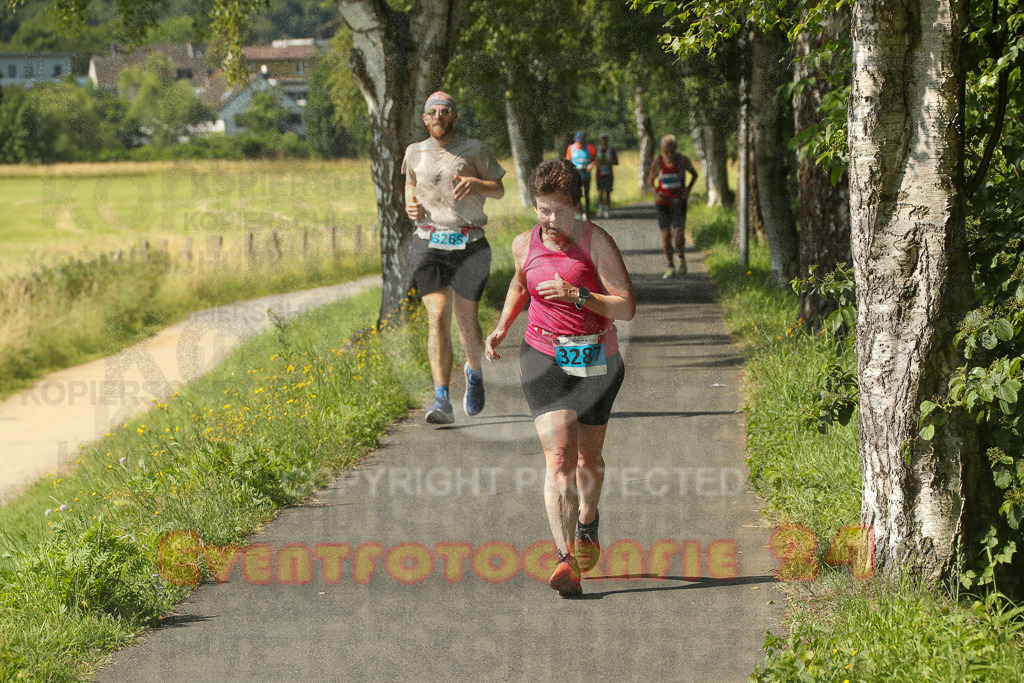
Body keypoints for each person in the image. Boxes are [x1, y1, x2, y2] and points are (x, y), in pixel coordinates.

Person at [484, 159, 636, 597]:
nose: (552, 221)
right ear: (534, 205)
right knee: (559, 459)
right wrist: (503, 325)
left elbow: (626, 307)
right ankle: (566, 558)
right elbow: (519, 283)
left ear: (577, 207)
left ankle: (588, 520)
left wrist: (579, 295)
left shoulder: (597, 243)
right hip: (542, 356)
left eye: (561, 211)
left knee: (589, 460)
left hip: (596, 358)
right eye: (544, 210)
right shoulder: (522, 244)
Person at [403, 91, 506, 424]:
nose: (437, 116)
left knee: (466, 321)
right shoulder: (413, 152)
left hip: (469, 241)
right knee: (437, 316)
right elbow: (410, 182)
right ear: (424, 118)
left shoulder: (474, 149)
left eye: (444, 111)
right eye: (431, 111)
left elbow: (499, 189)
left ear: (454, 117)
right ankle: (441, 398)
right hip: (428, 242)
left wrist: (476, 183)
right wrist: (410, 205)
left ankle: (474, 373)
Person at [648, 134, 698, 279]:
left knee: (678, 234)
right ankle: (670, 266)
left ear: (675, 148)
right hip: (662, 203)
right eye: (666, 149)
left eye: (672, 149)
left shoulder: (682, 160)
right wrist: (656, 193)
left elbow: (694, 174)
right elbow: (650, 180)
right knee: (666, 236)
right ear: (662, 149)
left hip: (678, 202)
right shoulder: (658, 161)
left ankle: (681, 256)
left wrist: (687, 190)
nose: (669, 152)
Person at [565, 131, 597, 220]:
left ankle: (587, 213)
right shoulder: (571, 148)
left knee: (586, 194)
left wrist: (591, 165)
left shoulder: (589, 147)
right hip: (576, 176)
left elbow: (596, 158)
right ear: (575, 140)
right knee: (577, 194)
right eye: (578, 142)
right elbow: (568, 160)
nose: (580, 144)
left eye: (581, 141)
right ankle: (579, 212)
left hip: (586, 175)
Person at [593, 133, 619, 219]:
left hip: (608, 174)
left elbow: (616, 162)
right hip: (599, 174)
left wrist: (611, 161)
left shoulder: (611, 150)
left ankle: (607, 209)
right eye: (602, 140)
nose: (603, 141)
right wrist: (597, 162)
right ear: (600, 140)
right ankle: (600, 209)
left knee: (607, 192)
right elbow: (593, 161)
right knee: (600, 192)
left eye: (604, 140)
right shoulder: (597, 150)